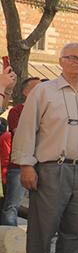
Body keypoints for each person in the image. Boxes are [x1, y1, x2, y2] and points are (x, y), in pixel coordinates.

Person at [11, 43, 78, 253]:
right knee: (43, 228)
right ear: (61, 60)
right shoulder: (43, 91)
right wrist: (26, 165)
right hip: (52, 168)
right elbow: (27, 129)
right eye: (72, 57)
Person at [1, 76, 40, 226]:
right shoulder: (17, 111)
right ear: (25, 92)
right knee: (12, 205)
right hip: (19, 166)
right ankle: (8, 239)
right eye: (36, 88)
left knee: (41, 206)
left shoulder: (48, 110)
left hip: (42, 164)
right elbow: (21, 133)